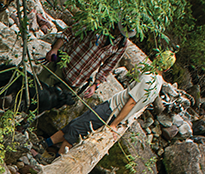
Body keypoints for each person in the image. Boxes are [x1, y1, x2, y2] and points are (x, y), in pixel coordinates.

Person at [43, 51, 176, 155]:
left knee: (76, 129)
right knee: (74, 124)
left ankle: (55, 159)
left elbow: (132, 102)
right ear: (166, 69)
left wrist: (114, 124)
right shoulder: (158, 83)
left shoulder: (148, 78)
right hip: (110, 107)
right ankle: (45, 144)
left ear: (157, 58)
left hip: (111, 110)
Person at [41, 22, 133, 99]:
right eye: (119, 29)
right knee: (37, 89)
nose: (118, 32)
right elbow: (69, 32)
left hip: (76, 81)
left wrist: (95, 85)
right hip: (60, 66)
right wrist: (55, 49)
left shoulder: (122, 44)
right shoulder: (97, 22)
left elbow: (108, 66)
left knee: (48, 104)